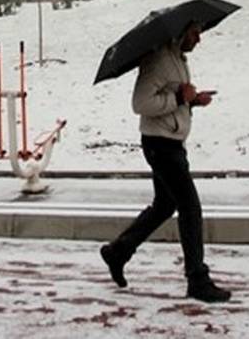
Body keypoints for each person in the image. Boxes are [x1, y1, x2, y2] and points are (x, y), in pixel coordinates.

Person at [99, 22, 232, 303]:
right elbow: (141, 103)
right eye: (195, 32)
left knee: (165, 205)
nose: (199, 38)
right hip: (160, 145)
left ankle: (118, 252)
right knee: (190, 207)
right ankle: (197, 279)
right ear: (181, 31)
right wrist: (178, 98)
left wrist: (192, 100)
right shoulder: (159, 60)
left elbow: (175, 97)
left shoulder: (177, 59)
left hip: (170, 142)